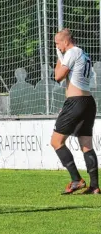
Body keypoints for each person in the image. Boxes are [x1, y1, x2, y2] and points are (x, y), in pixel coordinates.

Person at [52, 28, 99, 195]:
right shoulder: (83, 53)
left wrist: (59, 57)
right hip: (88, 102)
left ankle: (76, 180)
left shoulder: (71, 52)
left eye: (57, 44)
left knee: (56, 142)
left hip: (75, 101)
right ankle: (94, 186)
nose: (57, 46)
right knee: (86, 145)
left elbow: (58, 77)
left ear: (66, 42)